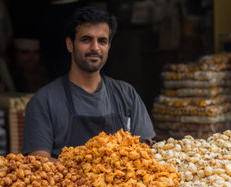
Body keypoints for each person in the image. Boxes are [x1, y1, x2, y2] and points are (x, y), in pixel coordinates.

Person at [22, 6, 155, 160]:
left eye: (102, 41)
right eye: (86, 40)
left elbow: (146, 154)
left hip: (122, 183)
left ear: (109, 47)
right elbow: (39, 164)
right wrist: (87, 172)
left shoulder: (127, 94)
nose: (95, 47)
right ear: (70, 44)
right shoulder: (44, 101)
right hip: (67, 184)